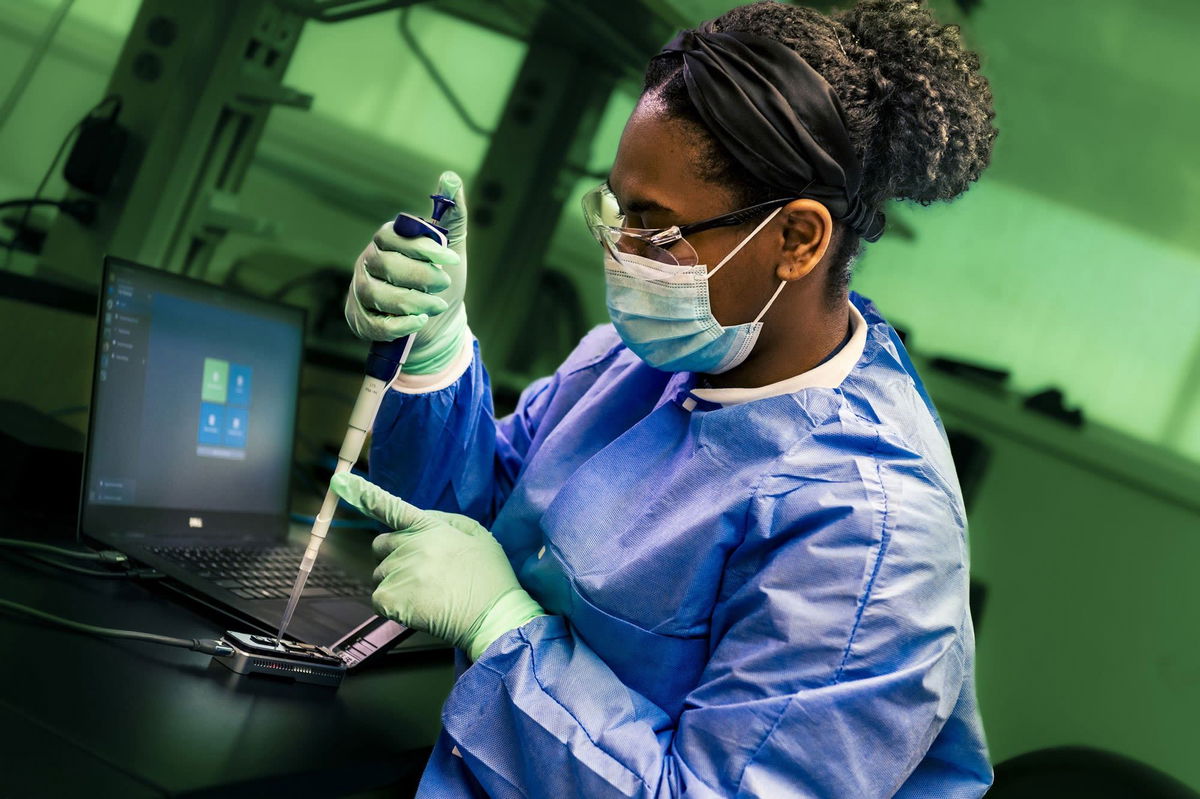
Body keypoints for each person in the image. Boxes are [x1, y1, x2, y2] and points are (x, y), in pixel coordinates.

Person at [331, 0, 998, 795]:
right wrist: (435, 355)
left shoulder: (869, 535)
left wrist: (505, 632)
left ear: (798, 239)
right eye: (619, 209)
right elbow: (469, 524)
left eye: (657, 224)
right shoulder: (651, 356)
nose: (623, 252)